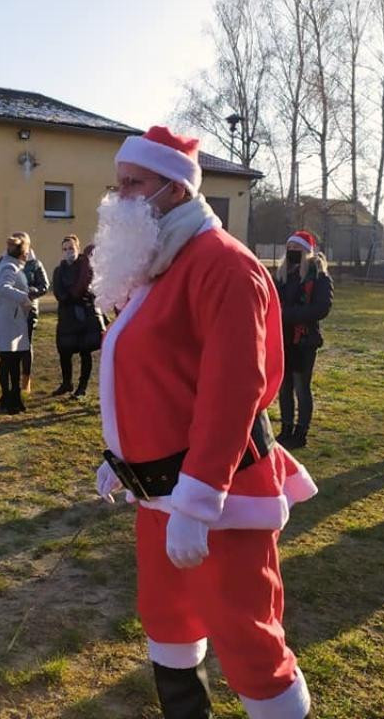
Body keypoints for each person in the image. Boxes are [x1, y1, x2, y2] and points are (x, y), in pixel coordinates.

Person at [92, 126, 317, 719]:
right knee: (167, 619)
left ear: (174, 189)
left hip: (220, 495)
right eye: (117, 184)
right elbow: (159, 378)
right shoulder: (159, 263)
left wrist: (197, 502)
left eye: (133, 183)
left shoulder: (221, 265)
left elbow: (233, 391)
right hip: (157, 491)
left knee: (246, 635)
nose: (120, 197)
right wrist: (122, 456)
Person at [274, 231, 334, 449]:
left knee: (301, 387)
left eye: (296, 249)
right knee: (284, 386)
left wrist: (287, 314)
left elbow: (321, 308)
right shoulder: (281, 275)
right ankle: (286, 428)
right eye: (289, 248)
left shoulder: (318, 276)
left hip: (304, 341)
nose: (292, 252)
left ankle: (301, 432)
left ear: (307, 252)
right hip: (283, 339)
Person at [0, 232, 49, 392]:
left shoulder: (35, 263)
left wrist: (32, 292)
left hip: (27, 311)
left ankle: (25, 382)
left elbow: (44, 285)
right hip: (6, 310)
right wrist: (16, 293)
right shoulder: (4, 262)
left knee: (25, 347)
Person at [52, 235, 104, 399]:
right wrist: (66, 297)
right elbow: (58, 291)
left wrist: (76, 295)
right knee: (64, 351)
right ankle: (67, 383)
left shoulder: (85, 268)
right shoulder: (59, 270)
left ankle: (82, 386)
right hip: (67, 315)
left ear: (77, 248)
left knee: (84, 350)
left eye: (71, 248)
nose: (68, 252)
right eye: (65, 249)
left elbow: (89, 287)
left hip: (83, 315)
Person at [0, 234, 33, 414]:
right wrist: (24, 298)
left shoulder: (15, 265)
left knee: (14, 360)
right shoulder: (9, 265)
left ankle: (14, 397)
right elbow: (3, 288)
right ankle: (7, 398)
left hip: (14, 319)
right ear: (22, 251)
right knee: (8, 361)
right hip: (9, 319)